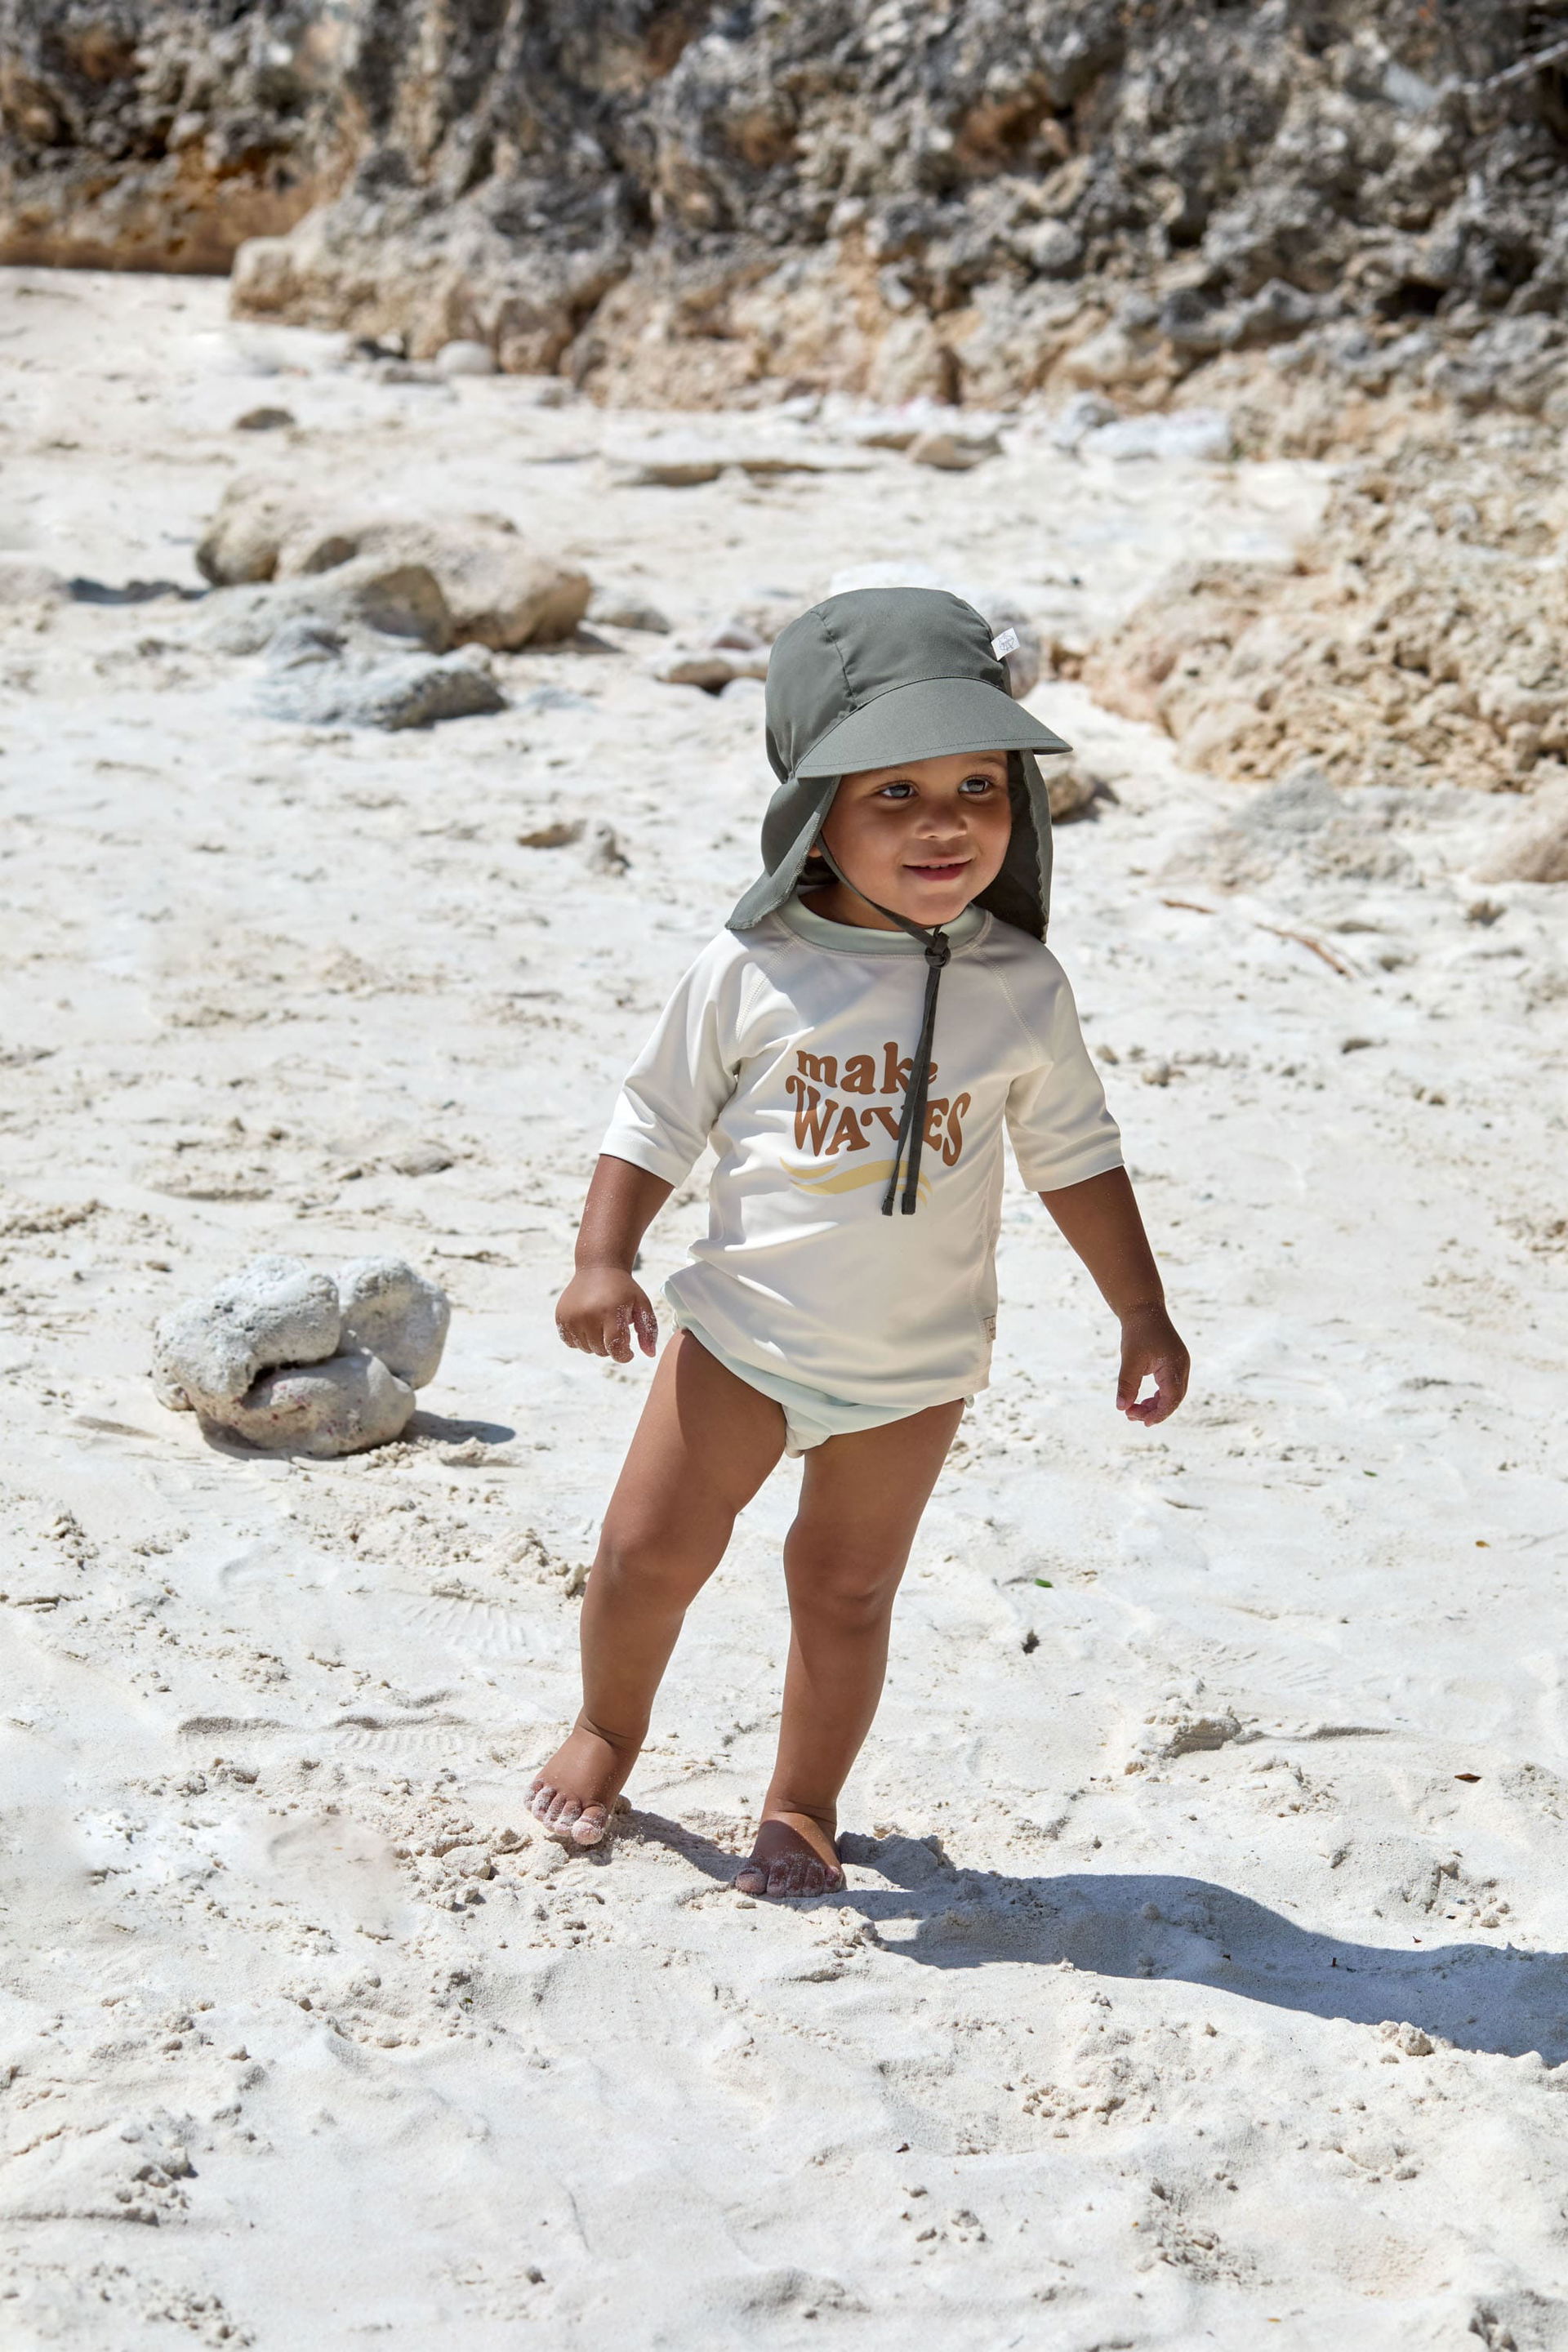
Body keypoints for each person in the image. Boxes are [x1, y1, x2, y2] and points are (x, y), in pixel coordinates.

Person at [532, 586, 1189, 1896]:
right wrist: (602, 1256)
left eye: (979, 786)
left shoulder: (1021, 985)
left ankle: (803, 1803)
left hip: (916, 1368)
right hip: (742, 1336)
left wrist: (1140, 1309)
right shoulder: (754, 966)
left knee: (845, 1593)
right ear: (815, 812)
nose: (945, 822)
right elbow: (655, 1114)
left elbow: (1077, 1155)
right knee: (643, 1557)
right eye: (894, 792)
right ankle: (608, 1727)